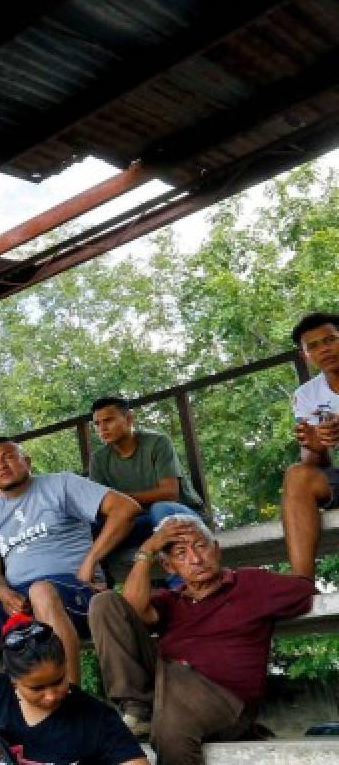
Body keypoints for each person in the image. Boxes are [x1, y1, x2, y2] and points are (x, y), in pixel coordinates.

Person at [89, 514, 317, 764]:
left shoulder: (251, 583)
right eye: (180, 553)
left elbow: (304, 590)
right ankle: (138, 709)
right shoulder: (170, 601)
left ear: (216, 550)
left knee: (172, 721)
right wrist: (148, 549)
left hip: (224, 700)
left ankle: (152, 715)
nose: (195, 559)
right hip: (169, 690)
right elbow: (130, 609)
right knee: (105, 603)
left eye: (200, 546)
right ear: (168, 566)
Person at [0, 438, 140, 685]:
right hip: (19, 599)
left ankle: (71, 699)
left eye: (9, 456)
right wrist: (3, 593)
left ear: (27, 461)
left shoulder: (60, 484)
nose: (1, 465)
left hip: (75, 588)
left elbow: (126, 509)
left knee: (40, 590)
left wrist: (90, 561)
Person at [0, 618, 147, 765]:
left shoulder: (95, 717)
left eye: (58, 682)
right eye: (36, 688)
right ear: (13, 681)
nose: (51, 695)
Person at [89, 395, 205, 548]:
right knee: (86, 528)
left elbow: (170, 493)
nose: (102, 428)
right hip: (137, 520)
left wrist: (120, 501)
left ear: (129, 419)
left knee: (160, 509)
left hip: (178, 513)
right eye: (97, 424)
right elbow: (97, 504)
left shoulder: (157, 443)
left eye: (108, 421)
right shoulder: (99, 458)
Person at [282, 311, 339, 579]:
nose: (324, 349)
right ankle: (302, 585)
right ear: (305, 355)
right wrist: (316, 446)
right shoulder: (306, 395)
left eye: (330, 340)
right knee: (297, 475)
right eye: (313, 346)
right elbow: (314, 464)